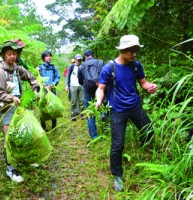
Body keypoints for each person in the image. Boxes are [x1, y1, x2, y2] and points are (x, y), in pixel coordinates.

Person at [95, 34, 158, 191]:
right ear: (122, 50)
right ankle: (117, 176)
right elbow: (101, 88)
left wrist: (151, 88)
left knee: (149, 131)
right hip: (117, 110)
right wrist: (98, 101)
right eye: (131, 51)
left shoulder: (136, 66)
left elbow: (143, 83)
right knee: (117, 144)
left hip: (135, 106)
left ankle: (143, 155)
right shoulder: (109, 68)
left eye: (136, 50)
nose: (134, 54)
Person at [0, 40, 40, 182]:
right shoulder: (0, 72)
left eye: (14, 54)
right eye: (9, 54)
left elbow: (31, 77)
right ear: (4, 55)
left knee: (22, 134)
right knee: (9, 137)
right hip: (7, 108)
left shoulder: (17, 69)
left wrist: (35, 87)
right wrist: (12, 98)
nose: (12, 56)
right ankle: (10, 168)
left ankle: (21, 159)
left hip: (20, 106)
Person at [78, 49, 105, 140]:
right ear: (93, 55)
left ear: (85, 57)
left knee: (90, 113)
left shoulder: (81, 66)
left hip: (88, 90)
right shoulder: (100, 62)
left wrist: (87, 84)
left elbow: (80, 81)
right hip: (100, 88)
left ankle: (94, 136)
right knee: (102, 105)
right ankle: (102, 114)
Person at [37, 50, 61, 130]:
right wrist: (42, 85)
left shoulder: (54, 67)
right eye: (47, 56)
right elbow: (35, 77)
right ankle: (43, 126)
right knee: (43, 107)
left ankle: (54, 126)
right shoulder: (39, 67)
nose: (49, 57)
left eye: (50, 56)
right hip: (43, 91)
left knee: (53, 107)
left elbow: (58, 77)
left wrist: (52, 85)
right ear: (43, 58)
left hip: (52, 90)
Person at [65, 54, 84, 121]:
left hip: (81, 86)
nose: (79, 61)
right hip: (73, 85)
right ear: (75, 60)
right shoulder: (71, 66)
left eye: (80, 60)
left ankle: (81, 113)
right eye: (78, 60)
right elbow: (67, 76)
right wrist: (67, 85)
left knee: (82, 101)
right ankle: (73, 115)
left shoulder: (83, 66)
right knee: (73, 101)